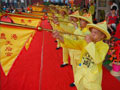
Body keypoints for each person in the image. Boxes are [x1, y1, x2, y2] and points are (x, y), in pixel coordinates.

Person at [52, 21, 111, 90]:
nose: (92, 34)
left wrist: (89, 43)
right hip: (81, 73)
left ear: (102, 36)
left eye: (95, 33)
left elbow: (98, 59)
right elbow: (73, 43)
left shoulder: (104, 46)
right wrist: (60, 37)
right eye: (92, 32)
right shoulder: (85, 42)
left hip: (92, 77)